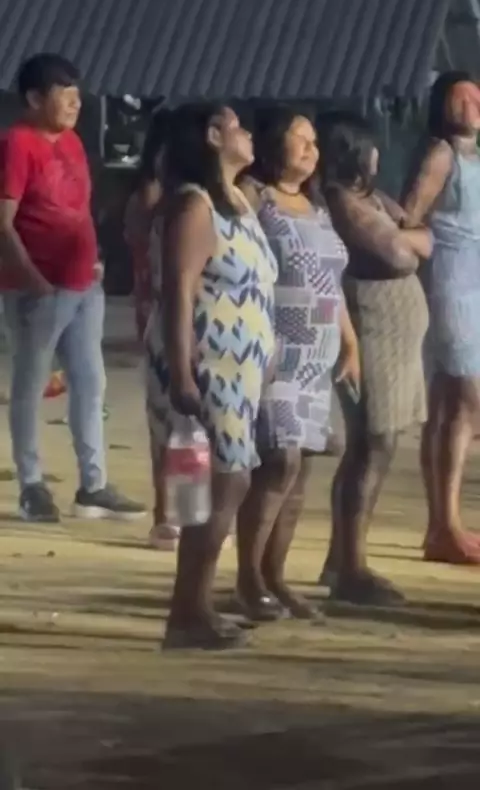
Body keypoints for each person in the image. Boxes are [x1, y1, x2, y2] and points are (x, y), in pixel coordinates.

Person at [145, 102, 277, 649]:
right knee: (221, 480)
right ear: (212, 136)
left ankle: (194, 606)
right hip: (206, 361)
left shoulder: (238, 202)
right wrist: (182, 372)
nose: (248, 134)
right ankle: (188, 611)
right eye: (237, 126)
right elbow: (179, 291)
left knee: (226, 480)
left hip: (237, 368)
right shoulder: (194, 205)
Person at [0, 53, 145, 522]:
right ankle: (32, 486)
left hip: (83, 285)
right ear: (34, 98)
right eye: (64, 96)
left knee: (90, 381)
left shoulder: (73, 143)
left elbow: (77, 208)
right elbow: (3, 222)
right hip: (38, 289)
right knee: (30, 384)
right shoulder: (17, 145)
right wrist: (33, 280)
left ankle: (94, 485)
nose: (75, 104)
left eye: (77, 96)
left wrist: (93, 258)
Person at [235, 105, 356, 621]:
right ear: (271, 144)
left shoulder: (316, 204)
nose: (311, 148)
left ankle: (276, 576)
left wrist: (350, 343)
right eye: (299, 138)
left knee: (302, 468)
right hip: (276, 351)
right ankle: (248, 578)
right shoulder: (252, 196)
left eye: (314, 141)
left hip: (318, 357)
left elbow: (331, 283)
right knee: (278, 460)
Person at [317, 113, 431, 604]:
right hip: (372, 326)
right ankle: (351, 566)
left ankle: (342, 557)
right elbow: (400, 253)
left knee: (379, 443)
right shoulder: (342, 201)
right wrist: (408, 238)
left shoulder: (370, 197)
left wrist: (409, 237)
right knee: (372, 442)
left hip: (397, 331)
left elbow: (421, 236)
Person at [401, 74, 480, 565]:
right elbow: (409, 215)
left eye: (477, 94)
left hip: (475, 280)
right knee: (466, 398)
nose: (471, 103)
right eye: (460, 96)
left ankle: (442, 525)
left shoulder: (474, 158)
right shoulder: (441, 154)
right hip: (450, 279)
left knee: (450, 405)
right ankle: (445, 525)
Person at [124, 109, 179, 550]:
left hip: (159, 305)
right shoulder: (155, 194)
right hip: (161, 307)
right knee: (167, 418)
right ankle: (167, 512)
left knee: (176, 420)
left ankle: (175, 510)